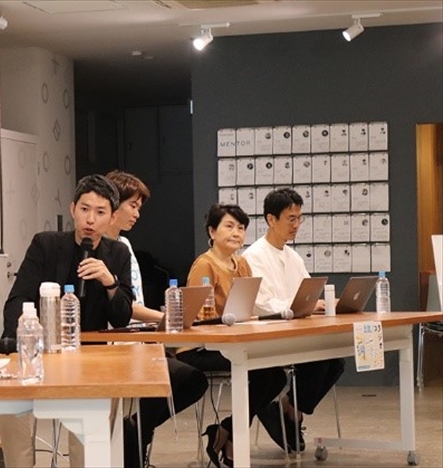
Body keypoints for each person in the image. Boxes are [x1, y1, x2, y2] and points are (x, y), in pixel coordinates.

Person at [0, 174, 133, 468]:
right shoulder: (45, 245)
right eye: (84, 209)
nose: (90, 219)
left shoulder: (118, 253)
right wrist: (29, 344)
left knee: (98, 408)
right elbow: (17, 300)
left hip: (91, 360)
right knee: (9, 400)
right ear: (72, 209)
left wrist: (110, 282)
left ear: (112, 217)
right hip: (40, 353)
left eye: (100, 212)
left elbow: (122, 317)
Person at [105, 170, 208, 466]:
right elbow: (126, 307)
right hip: (114, 343)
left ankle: (136, 430)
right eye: (133, 206)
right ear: (114, 203)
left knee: (190, 380)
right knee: (178, 376)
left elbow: (134, 301)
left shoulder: (124, 245)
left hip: (139, 337)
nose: (137, 214)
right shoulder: (100, 248)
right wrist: (167, 315)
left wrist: (162, 319)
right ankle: (135, 434)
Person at [179, 203, 286, 467]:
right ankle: (230, 438)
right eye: (229, 226)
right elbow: (196, 319)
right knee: (262, 373)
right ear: (212, 231)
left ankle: (225, 429)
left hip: (233, 343)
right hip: (200, 348)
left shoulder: (242, 263)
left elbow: (245, 309)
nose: (236, 233)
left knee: (276, 374)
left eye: (241, 228)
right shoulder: (204, 265)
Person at [242, 188, 345, 453]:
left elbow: (307, 293)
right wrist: (299, 306)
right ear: (271, 219)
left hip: (295, 332)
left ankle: (290, 408)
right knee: (319, 359)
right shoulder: (253, 257)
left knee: (335, 360)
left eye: (299, 218)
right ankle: (291, 413)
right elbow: (260, 303)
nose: (296, 224)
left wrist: (321, 304)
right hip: (267, 334)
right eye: (291, 218)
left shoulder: (293, 257)